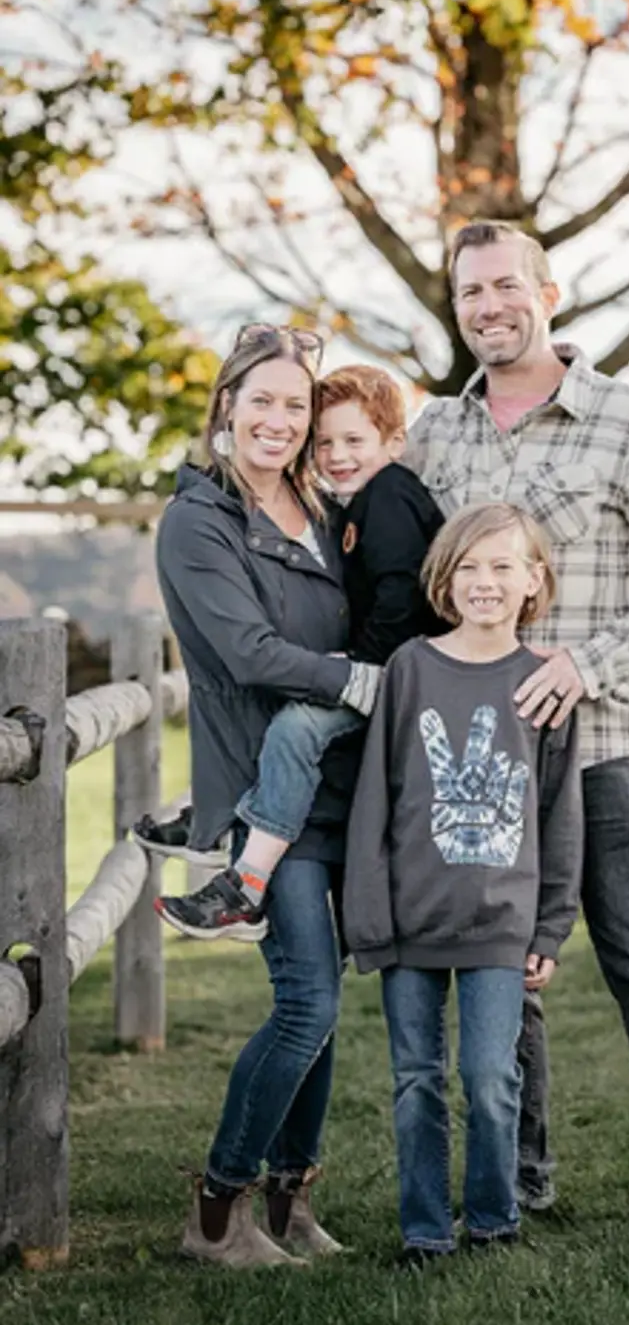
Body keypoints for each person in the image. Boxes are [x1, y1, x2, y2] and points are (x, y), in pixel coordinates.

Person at [405, 220, 629, 1243]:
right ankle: (521, 1176)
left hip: (604, 746)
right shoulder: (439, 435)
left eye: (506, 287)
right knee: (498, 971)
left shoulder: (627, 420)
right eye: (471, 292)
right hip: (479, 765)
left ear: (548, 292)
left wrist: (588, 663)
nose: (489, 307)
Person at [155, 323, 373, 1268]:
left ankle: (291, 1204)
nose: (280, 421)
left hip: (331, 786)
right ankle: (216, 1210)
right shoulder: (199, 519)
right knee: (304, 1003)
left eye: (297, 404)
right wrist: (359, 681)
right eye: (263, 402)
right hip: (259, 791)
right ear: (227, 407)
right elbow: (246, 652)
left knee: (321, 1015)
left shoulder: (320, 507)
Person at [343, 502, 583, 1265]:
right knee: (416, 1079)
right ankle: (423, 1228)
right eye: (469, 567)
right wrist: (369, 917)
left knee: (488, 1075)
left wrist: (548, 928)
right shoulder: (411, 667)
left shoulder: (545, 682)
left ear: (532, 579)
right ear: (444, 580)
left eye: (503, 565)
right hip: (413, 915)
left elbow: (558, 813)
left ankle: (492, 1216)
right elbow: (376, 798)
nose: (485, 581)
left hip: (501, 922)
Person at [155, 364, 445, 941]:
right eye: (326, 442)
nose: (337, 455)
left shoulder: (386, 496)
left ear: (394, 443)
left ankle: (246, 881)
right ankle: (218, 822)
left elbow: (401, 592)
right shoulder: (343, 505)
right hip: (390, 666)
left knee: (296, 730)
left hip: (400, 668)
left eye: (354, 441)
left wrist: (359, 664)